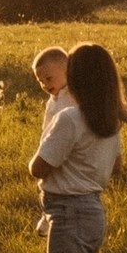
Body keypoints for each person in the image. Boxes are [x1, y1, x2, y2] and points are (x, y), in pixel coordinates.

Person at [28, 41, 127, 253]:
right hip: (93, 214)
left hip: (69, 214)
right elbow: (117, 167)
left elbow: (39, 168)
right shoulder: (111, 119)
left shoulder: (69, 118)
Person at [31, 46, 75, 237]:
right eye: (40, 81)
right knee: (47, 180)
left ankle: (54, 217)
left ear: (66, 73)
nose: (45, 85)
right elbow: (47, 127)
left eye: (49, 79)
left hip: (68, 147)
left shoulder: (73, 95)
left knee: (61, 182)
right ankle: (48, 214)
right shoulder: (53, 100)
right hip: (51, 145)